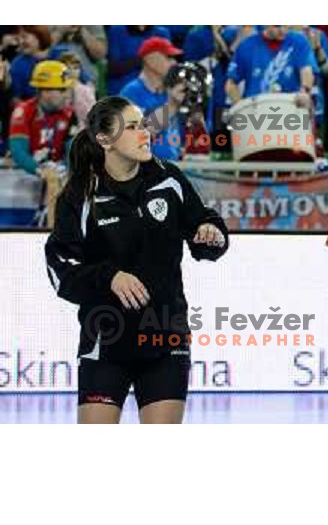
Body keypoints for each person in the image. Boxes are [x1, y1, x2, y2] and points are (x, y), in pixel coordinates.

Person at [45, 96, 229, 424]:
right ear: (104, 139)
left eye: (144, 125)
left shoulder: (169, 179)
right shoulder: (80, 194)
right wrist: (110, 277)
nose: (145, 133)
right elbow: (60, 269)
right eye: (132, 127)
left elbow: (207, 228)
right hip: (105, 343)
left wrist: (211, 232)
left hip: (165, 336)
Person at [9, 60, 76, 176]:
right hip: (26, 173)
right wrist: (39, 170)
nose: (67, 95)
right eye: (62, 90)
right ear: (45, 91)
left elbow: (72, 148)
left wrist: (64, 167)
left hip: (57, 172)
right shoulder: (23, 111)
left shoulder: (70, 113)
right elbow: (18, 151)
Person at [225, 26, 314, 107]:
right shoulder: (246, 46)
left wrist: (305, 90)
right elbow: (231, 84)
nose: (282, 30)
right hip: (256, 111)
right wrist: (241, 107)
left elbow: (306, 69)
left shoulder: (299, 41)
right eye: (277, 26)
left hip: (291, 108)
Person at [119, 37, 182, 114]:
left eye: (174, 58)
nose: (174, 62)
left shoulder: (174, 88)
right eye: (168, 57)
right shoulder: (131, 93)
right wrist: (172, 105)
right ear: (150, 61)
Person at [107, 25, 172, 94]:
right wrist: (144, 59)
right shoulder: (116, 31)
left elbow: (164, 67)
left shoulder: (162, 32)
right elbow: (114, 68)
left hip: (154, 90)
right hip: (122, 90)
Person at [9, 26, 52, 103]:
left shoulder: (56, 55)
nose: (21, 41)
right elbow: (15, 99)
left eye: (24, 37)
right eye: (19, 38)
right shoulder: (18, 64)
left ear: (39, 36)